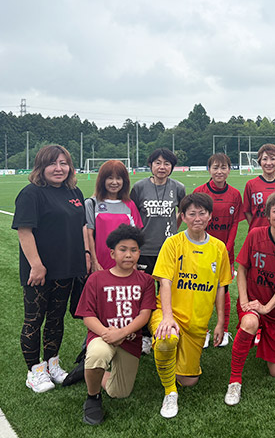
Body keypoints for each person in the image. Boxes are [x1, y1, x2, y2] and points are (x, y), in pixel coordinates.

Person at [12, 144, 90, 392]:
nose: (58, 168)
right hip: (40, 272)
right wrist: (36, 265)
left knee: (56, 319)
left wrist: (86, 254)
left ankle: (52, 363)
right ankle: (34, 370)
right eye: (52, 163)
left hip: (67, 268)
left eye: (63, 163)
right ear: (41, 167)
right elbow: (24, 231)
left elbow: (81, 227)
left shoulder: (74, 192)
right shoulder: (31, 193)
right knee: (34, 320)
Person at [149, 193, 232, 418]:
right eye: (192, 214)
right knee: (167, 339)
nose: (197, 218)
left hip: (197, 324)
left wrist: (220, 323)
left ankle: (169, 360)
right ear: (183, 217)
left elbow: (221, 288)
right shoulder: (173, 243)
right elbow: (165, 282)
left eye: (202, 213)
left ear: (210, 216)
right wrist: (167, 317)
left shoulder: (218, 248)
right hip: (170, 313)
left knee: (189, 380)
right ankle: (170, 392)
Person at [225, 191, 275, 406]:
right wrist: (244, 302)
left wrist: (267, 308)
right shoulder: (255, 235)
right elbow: (242, 268)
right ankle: (234, 381)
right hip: (253, 302)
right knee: (250, 322)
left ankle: (261, 335)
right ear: (268, 215)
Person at [75, 225, 156, 425]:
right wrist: (107, 333)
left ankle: (88, 371)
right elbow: (87, 316)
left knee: (119, 392)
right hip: (102, 336)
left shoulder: (146, 281)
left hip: (130, 339)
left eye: (134, 250)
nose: (128, 254)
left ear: (139, 253)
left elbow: (144, 315)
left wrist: (122, 333)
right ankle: (92, 397)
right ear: (112, 253)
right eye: (123, 249)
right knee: (98, 354)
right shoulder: (97, 278)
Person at [130, 148, 185, 353]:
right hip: (144, 250)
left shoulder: (178, 187)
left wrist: (173, 230)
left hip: (168, 250)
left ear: (172, 167)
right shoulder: (139, 187)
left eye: (167, 163)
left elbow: (183, 212)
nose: (162, 167)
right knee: (145, 295)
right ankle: (144, 335)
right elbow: (132, 215)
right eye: (158, 163)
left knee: (167, 292)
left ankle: (169, 328)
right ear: (150, 165)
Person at [194, 153, 244, 348]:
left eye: (223, 167)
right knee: (201, 290)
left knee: (223, 290)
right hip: (202, 250)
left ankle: (223, 330)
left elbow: (234, 224)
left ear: (229, 170)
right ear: (209, 170)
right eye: (215, 167)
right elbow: (196, 222)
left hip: (225, 252)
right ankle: (203, 330)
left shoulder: (235, 194)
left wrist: (226, 248)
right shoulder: (200, 192)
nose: (219, 171)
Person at [86, 160, 143, 271]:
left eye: (118, 178)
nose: (114, 182)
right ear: (102, 180)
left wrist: (134, 263)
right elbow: (88, 235)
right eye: (110, 178)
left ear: (124, 181)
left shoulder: (130, 205)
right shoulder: (91, 203)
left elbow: (136, 237)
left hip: (125, 266)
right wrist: (94, 262)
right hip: (100, 266)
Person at [242, 143, 275, 231]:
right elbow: (247, 211)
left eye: (272, 159)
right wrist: (256, 226)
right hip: (258, 233)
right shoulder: (251, 184)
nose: (268, 163)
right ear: (260, 161)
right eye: (265, 159)